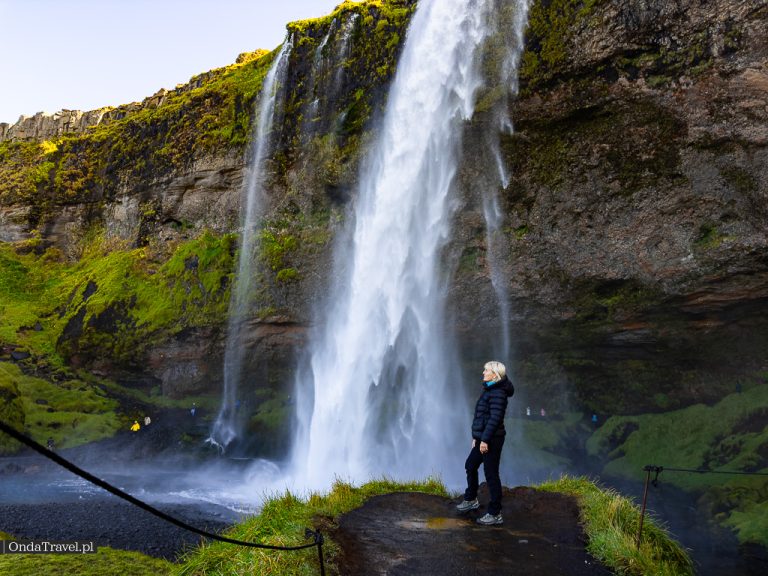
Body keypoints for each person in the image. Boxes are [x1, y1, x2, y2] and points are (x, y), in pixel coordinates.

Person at [456, 360, 514, 526]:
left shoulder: (498, 393)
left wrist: (485, 440)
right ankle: (471, 498)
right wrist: (477, 436)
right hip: (483, 437)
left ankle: (495, 513)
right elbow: (483, 417)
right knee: (471, 465)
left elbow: (495, 419)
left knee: (491, 474)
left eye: (486, 370)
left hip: (492, 439)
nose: (483, 372)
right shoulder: (490, 389)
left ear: (494, 375)